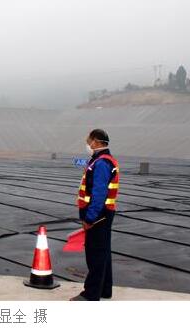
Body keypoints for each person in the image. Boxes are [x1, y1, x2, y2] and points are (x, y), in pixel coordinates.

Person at [70, 129, 120, 301]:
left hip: (98, 216)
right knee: (103, 253)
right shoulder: (102, 160)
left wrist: (90, 218)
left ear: (96, 142)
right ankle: (104, 289)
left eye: (89, 141)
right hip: (104, 214)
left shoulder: (102, 163)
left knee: (95, 255)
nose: (88, 145)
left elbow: (99, 194)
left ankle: (90, 295)